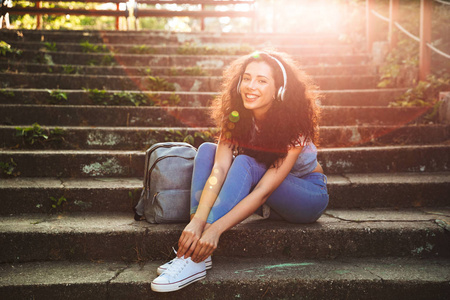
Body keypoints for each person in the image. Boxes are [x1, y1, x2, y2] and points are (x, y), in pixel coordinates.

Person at [151, 50, 329, 293]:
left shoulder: (293, 128)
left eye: (262, 80)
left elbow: (264, 191)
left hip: (306, 196)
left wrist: (215, 230)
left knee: (245, 162)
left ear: (280, 91)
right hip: (267, 193)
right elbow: (220, 167)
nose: (250, 86)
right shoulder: (236, 117)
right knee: (206, 150)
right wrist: (199, 221)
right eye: (247, 78)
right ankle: (195, 250)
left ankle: (193, 257)